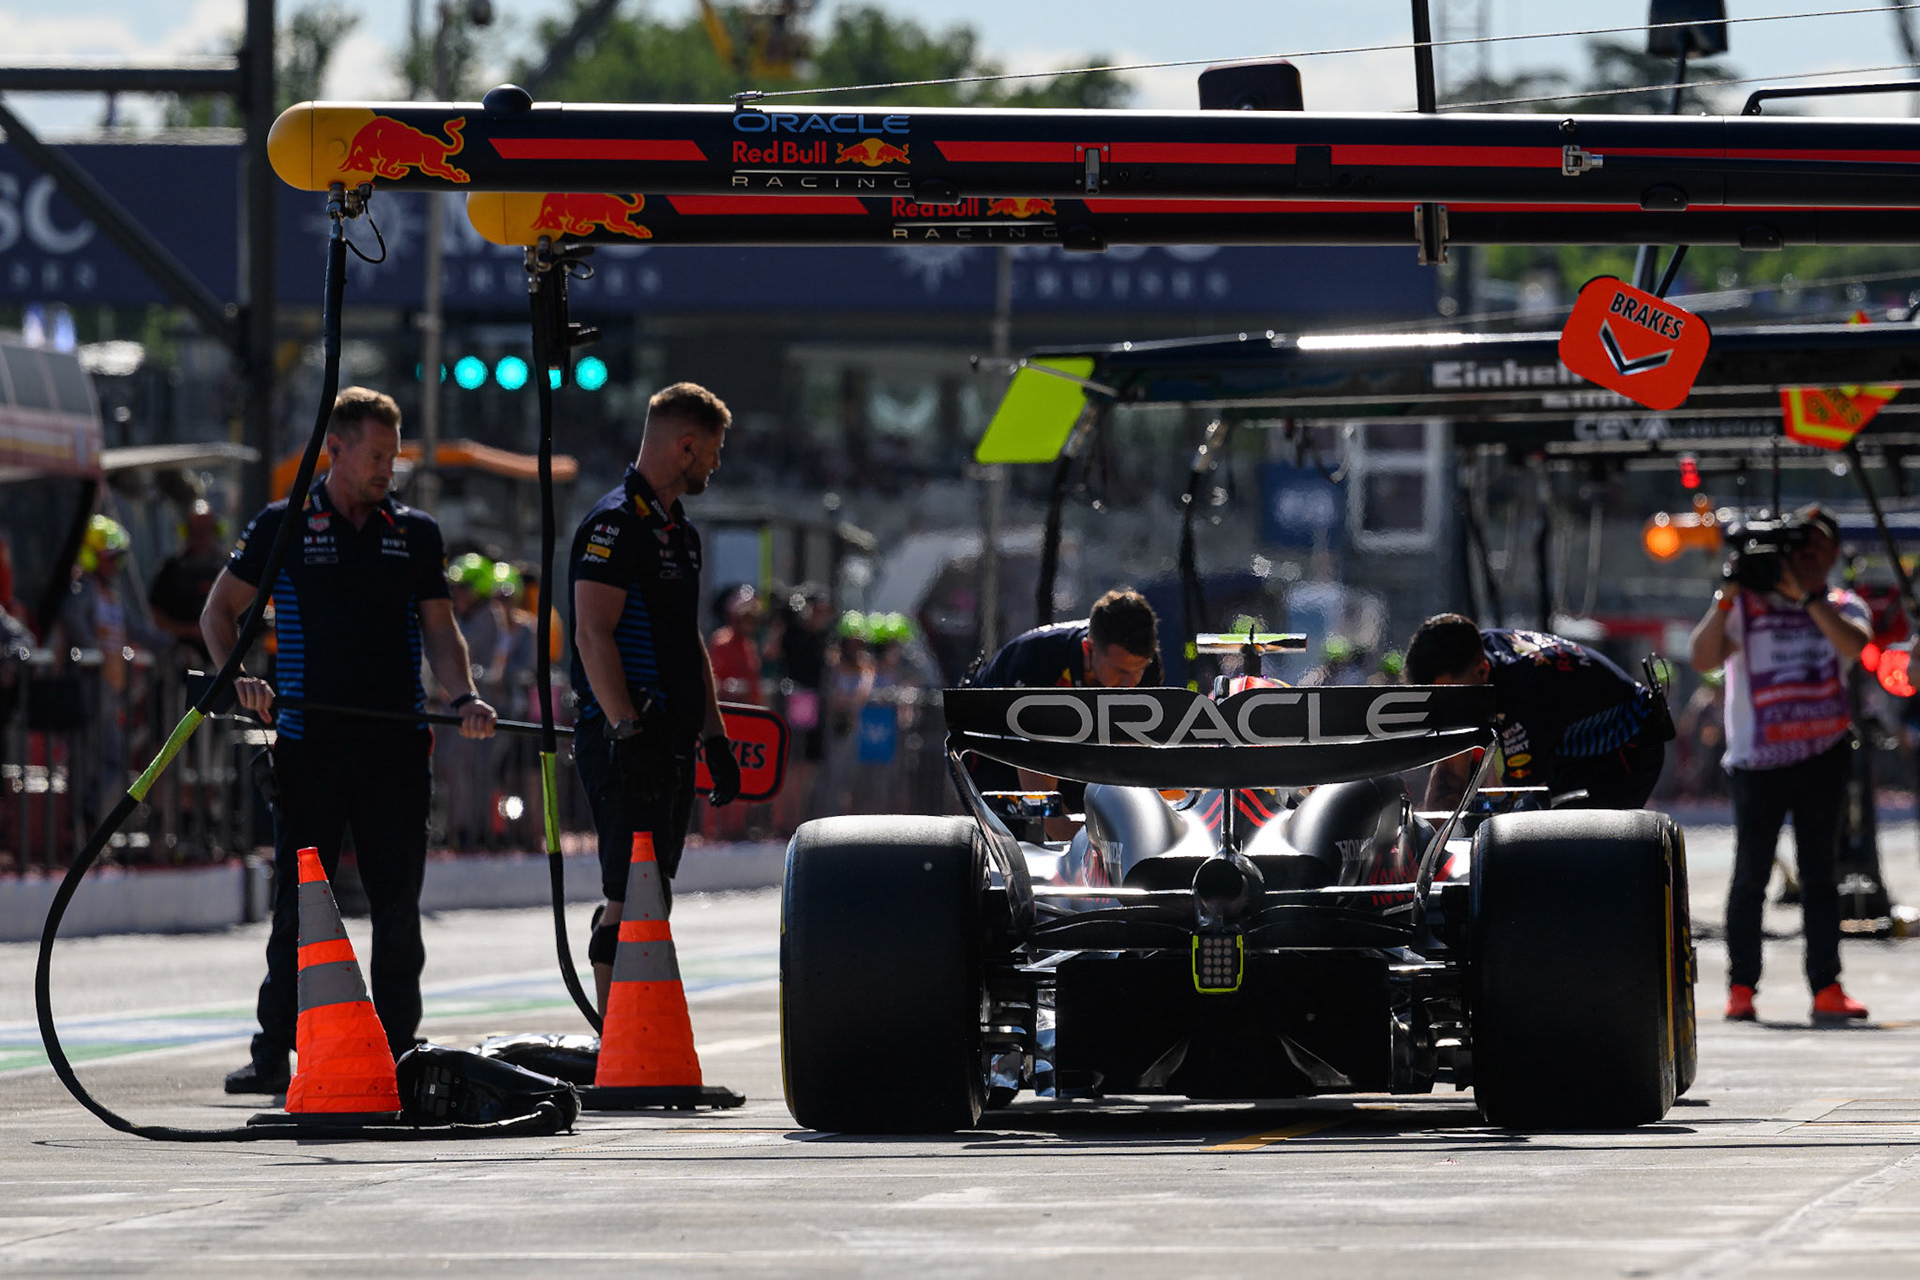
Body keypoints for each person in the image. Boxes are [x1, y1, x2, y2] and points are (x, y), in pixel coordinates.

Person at [203, 387, 497, 1093]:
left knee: (398, 908)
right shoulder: (283, 525)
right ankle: (274, 1049)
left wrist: (464, 696)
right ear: (334, 449)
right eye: (374, 455)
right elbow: (220, 611)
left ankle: (399, 1053)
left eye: (393, 457)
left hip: (397, 749)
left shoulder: (415, 532)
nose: (386, 470)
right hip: (309, 745)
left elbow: (441, 630)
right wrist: (237, 680)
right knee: (298, 907)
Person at [567, 382, 742, 1014]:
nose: (717, 465)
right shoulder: (614, 523)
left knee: (653, 886)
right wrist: (625, 730)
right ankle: (619, 1037)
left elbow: (687, 642)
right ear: (685, 445)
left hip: (668, 737)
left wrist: (715, 737)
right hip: (625, 737)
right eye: (713, 452)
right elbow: (592, 633)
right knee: (630, 886)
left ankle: (628, 1028)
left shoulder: (679, 532)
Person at [1688, 504, 1872, 1024]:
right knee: (1750, 874)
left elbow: (1853, 646)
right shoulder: (1747, 606)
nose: (1807, 557)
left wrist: (1808, 597)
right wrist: (1729, 592)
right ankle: (1742, 988)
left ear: (1833, 554)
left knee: (1820, 873)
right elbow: (1702, 658)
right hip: (1756, 760)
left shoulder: (1842, 603)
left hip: (1822, 756)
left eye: (1818, 549)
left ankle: (1826, 987)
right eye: (1799, 548)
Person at [1405, 615, 1671, 812]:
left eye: (1448, 697)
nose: (1444, 709)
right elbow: (1451, 771)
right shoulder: (1468, 655)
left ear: (1483, 671)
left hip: (1627, 746)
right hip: (1564, 739)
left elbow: (1519, 805)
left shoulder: (1526, 692)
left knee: (1569, 851)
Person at [968, 588, 1164, 837]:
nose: (1129, 683)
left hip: (1068, 747)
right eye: (1120, 671)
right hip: (994, 752)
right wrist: (1067, 832)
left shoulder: (1145, 668)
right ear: (1088, 650)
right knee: (1024, 835)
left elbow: (1134, 754)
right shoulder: (1037, 659)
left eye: (1137, 669)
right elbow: (1035, 766)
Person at [148, 500, 226, 665]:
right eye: (197, 530)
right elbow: (156, 617)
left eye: (206, 529)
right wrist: (190, 631)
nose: (202, 535)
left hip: (223, 656)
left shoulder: (228, 567)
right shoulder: (171, 569)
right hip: (180, 657)